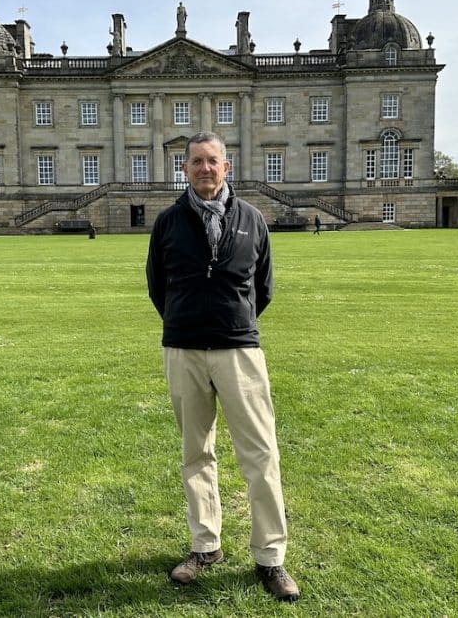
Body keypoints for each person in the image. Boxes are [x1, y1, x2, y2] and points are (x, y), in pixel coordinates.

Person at [146, 131, 299, 602]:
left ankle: (270, 557)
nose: (205, 169)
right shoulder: (168, 222)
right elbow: (157, 285)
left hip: (239, 351)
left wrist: (233, 324)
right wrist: (184, 322)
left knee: (261, 455)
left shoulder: (253, 219)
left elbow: (264, 288)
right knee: (196, 454)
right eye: (196, 162)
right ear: (184, 168)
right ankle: (205, 545)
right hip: (184, 351)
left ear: (226, 167)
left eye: (213, 161)